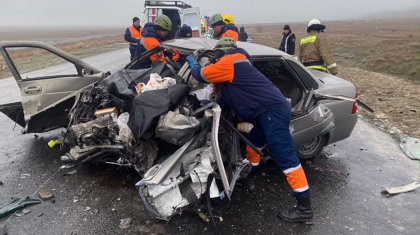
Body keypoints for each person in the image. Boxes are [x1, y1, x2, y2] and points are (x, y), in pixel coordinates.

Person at [186, 37, 314, 223]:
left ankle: (305, 209)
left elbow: (199, 74)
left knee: (286, 157)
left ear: (220, 53)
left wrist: (191, 60)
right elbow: (228, 98)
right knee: (253, 144)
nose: (214, 61)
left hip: (272, 112)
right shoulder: (237, 67)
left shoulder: (230, 61)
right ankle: (247, 178)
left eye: (215, 57)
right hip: (263, 113)